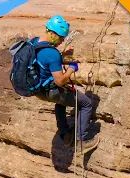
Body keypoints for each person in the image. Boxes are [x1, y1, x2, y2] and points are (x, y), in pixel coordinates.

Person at [33, 15, 99, 154]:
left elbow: (45, 62)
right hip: (50, 91)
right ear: (52, 33)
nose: (61, 41)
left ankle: (65, 135)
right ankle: (80, 142)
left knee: (61, 101)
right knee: (86, 103)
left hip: (37, 89)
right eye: (60, 38)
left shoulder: (34, 43)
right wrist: (72, 68)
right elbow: (60, 80)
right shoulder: (52, 53)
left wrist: (62, 56)